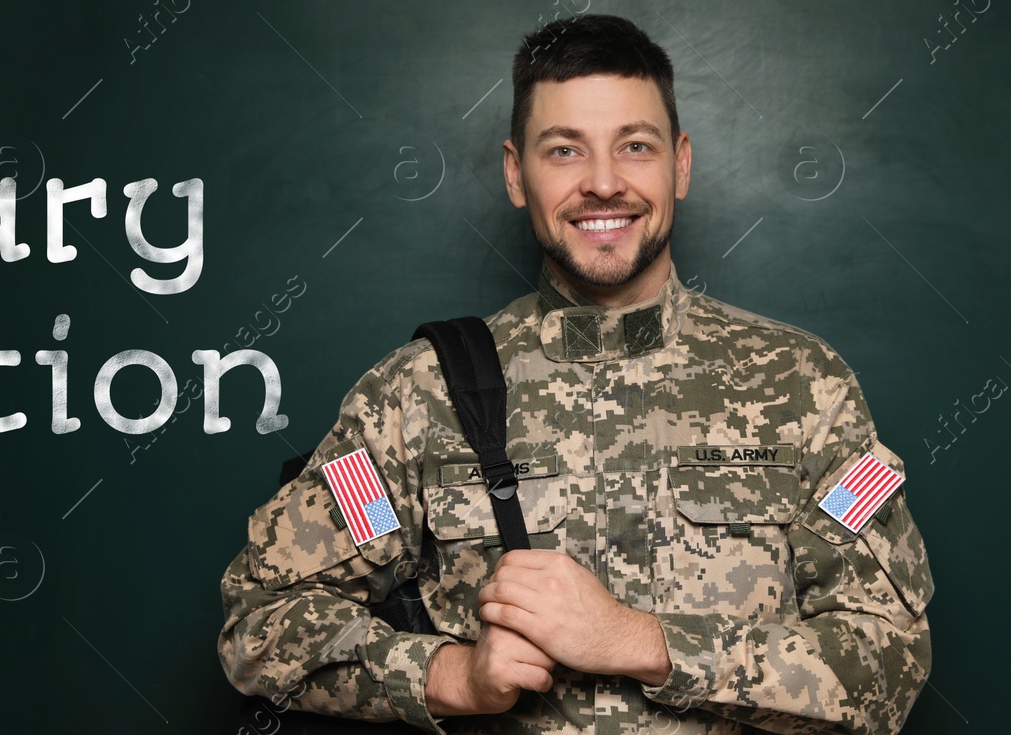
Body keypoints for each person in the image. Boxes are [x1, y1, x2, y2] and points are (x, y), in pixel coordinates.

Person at [217, 13, 933, 735]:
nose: (602, 183)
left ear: (680, 163)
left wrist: (640, 641)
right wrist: (451, 676)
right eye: (564, 150)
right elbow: (261, 620)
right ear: (514, 172)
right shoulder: (419, 395)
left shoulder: (805, 385)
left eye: (636, 146)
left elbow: (891, 660)